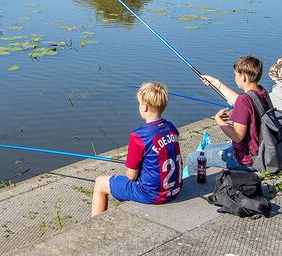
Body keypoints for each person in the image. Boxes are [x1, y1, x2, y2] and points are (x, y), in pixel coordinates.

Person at [91, 82, 182, 216]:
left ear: (144, 107)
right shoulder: (171, 128)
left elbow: (131, 175)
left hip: (153, 195)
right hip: (175, 189)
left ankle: (95, 226)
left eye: (139, 103)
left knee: (100, 183)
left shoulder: (139, 136)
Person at [186, 56, 269, 175]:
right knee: (207, 149)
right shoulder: (261, 92)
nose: (235, 77)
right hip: (259, 151)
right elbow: (244, 103)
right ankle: (203, 172)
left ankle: (200, 183)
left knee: (194, 158)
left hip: (246, 160)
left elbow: (237, 136)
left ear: (244, 77)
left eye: (236, 75)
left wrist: (218, 120)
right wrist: (216, 83)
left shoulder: (243, 100)